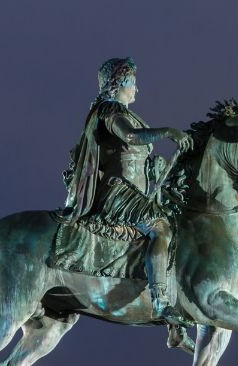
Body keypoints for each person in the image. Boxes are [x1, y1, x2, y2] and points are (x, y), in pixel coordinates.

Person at [62, 57, 192, 324]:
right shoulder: (109, 110)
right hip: (118, 194)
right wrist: (168, 131)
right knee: (160, 227)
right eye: (132, 82)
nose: (137, 89)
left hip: (136, 193)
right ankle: (160, 300)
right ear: (118, 84)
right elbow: (131, 137)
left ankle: (175, 322)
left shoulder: (125, 113)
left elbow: (134, 157)